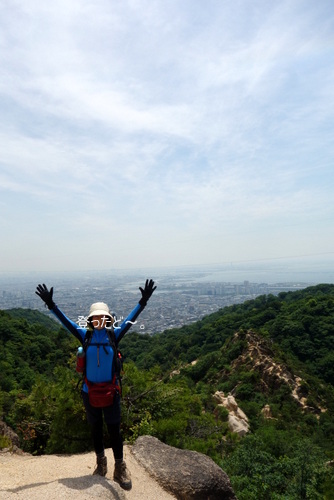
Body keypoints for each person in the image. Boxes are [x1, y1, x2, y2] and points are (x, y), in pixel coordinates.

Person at [35, 279, 156, 490]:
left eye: (103, 317)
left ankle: (119, 467)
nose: (99, 319)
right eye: (96, 317)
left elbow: (130, 320)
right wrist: (51, 305)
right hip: (89, 391)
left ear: (107, 319)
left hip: (111, 392)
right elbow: (66, 322)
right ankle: (101, 464)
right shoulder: (85, 336)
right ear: (91, 320)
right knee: (96, 430)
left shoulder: (113, 335)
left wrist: (143, 301)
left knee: (114, 431)